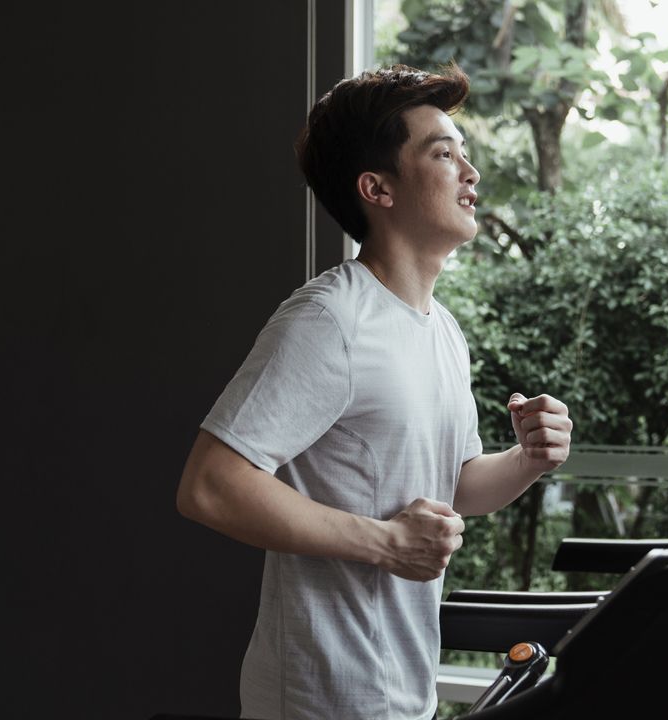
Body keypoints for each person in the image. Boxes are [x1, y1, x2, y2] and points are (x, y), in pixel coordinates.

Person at [176, 64, 573, 720]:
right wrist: (386, 543)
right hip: (319, 702)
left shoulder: (441, 330)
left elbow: (456, 485)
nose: (470, 174)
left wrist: (528, 459)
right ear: (377, 189)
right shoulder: (328, 320)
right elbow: (210, 486)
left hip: (400, 695)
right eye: (444, 154)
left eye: (464, 154)